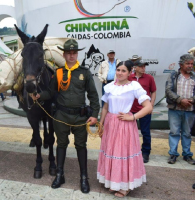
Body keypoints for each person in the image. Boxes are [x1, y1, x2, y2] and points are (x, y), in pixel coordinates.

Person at [31, 39, 100, 193]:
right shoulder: (59, 72)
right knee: (61, 145)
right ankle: (60, 175)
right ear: (64, 54)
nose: (71, 55)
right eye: (68, 53)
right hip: (61, 116)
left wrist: (95, 115)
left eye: (74, 52)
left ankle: (84, 178)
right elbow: (50, 92)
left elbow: (93, 96)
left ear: (77, 54)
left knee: (81, 146)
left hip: (80, 117)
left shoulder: (84, 73)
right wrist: (38, 95)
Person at [97, 60, 152, 198]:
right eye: (118, 70)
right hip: (110, 124)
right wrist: (101, 123)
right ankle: (114, 182)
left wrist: (133, 117)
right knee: (111, 151)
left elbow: (148, 107)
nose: (120, 73)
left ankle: (125, 186)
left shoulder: (134, 86)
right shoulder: (110, 86)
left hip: (124, 125)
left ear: (129, 72)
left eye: (123, 71)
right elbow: (105, 107)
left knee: (122, 154)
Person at [165, 54, 195, 165]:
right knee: (174, 132)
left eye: (191, 64)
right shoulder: (173, 75)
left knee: (187, 133)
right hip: (175, 109)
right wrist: (180, 100)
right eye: (188, 64)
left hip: (190, 109)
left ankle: (187, 155)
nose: (190, 66)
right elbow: (168, 90)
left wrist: (191, 100)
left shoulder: (194, 76)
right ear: (181, 64)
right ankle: (173, 154)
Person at [128, 59, 156, 163]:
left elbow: (153, 91)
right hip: (130, 110)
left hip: (144, 110)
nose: (143, 68)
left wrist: (151, 105)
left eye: (145, 66)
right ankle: (131, 150)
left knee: (145, 131)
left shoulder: (149, 78)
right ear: (135, 67)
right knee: (130, 132)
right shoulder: (129, 77)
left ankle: (146, 152)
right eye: (141, 66)